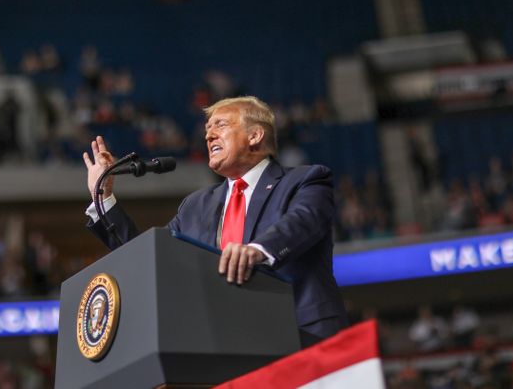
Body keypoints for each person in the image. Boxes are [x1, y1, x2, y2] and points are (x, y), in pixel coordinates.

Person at [82, 95, 347, 346]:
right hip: (225, 346)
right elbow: (150, 257)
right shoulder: (195, 207)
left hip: (302, 334)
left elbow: (303, 222)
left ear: (255, 135)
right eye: (207, 128)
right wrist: (103, 198)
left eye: (220, 125)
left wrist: (257, 250)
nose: (208, 135)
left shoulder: (306, 180)